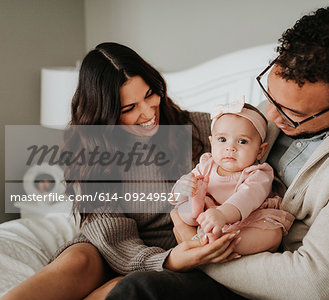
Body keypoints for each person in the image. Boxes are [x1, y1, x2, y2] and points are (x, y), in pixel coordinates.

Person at [106, 5, 329, 300]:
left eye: (289, 112)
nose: (271, 114)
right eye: (270, 94)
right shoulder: (283, 105)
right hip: (245, 263)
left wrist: (197, 250)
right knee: (137, 291)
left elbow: (316, 282)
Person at [1, 42, 242, 300]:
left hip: (174, 248)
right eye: (130, 108)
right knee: (77, 260)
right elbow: (108, 230)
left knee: (124, 287)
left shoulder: (201, 128)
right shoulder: (88, 147)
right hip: (113, 246)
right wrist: (165, 261)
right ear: (105, 114)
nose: (149, 112)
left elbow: (254, 138)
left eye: (150, 94)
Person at [171, 97, 294, 254]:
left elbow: (247, 197)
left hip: (248, 220)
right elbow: (177, 195)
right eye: (222, 139)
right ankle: (197, 211)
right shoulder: (206, 164)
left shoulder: (258, 173)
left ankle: (219, 244)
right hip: (207, 218)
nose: (230, 147)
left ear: (260, 151)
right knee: (182, 210)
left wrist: (222, 214)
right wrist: (182, 187)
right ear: (212, 142)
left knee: (272, 234)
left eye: (242, 141)